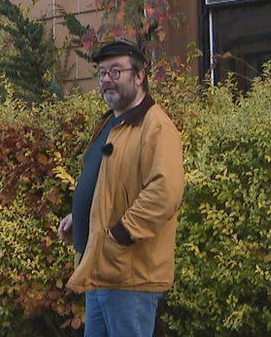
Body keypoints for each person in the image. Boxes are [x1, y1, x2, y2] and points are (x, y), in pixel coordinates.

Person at [58, 38, 184, 336]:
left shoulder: (156, 127)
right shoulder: (111, 124)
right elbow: (108, 186)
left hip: (130, 278)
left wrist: (121, 234)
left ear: (139, 75)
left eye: (116, 72)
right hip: (100, 270)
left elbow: (165, 192)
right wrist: (82, 218)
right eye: (102, 73)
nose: (106, 80)